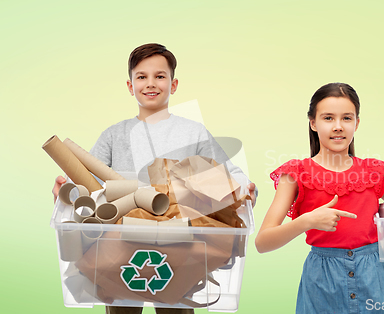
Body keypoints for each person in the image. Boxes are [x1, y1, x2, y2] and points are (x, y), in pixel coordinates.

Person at [52, 43, 257, 314]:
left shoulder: (193, 132)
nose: (151, 83)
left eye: (160, 76)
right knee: (122, 304)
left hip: (181, 239)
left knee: (176, 304)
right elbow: (87, 186)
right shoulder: (114, 135)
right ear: (130, 85)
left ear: (173, 85)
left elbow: (231, 177)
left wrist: (244, 191)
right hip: (122, 239)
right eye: (142, 77)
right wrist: (65, 193)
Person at [254, 83, 384, 314]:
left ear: (356, 123)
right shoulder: (296, 174)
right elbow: (263, 242)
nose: (338, 126)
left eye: (346, 118)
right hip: (322, 282)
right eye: (328, 118)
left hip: (374, 278)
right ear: (313, 123)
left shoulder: (374, 172)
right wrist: (308, 220)